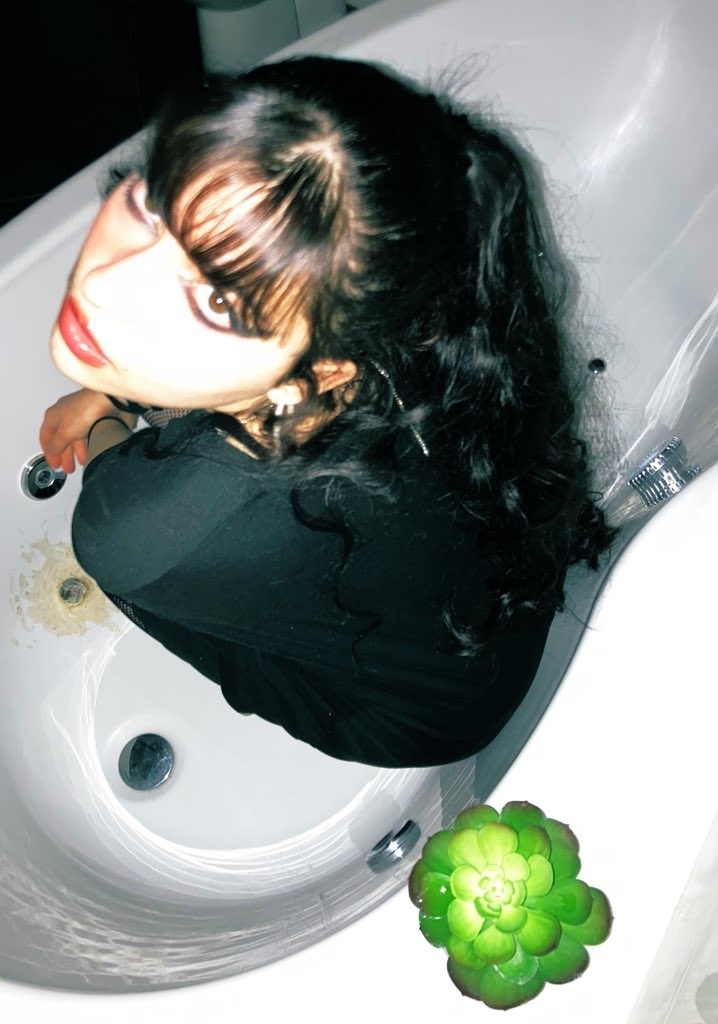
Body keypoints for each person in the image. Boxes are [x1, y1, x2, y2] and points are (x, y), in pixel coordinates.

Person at [40, 55, 613, 768]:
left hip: (412, 721)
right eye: (155, 204)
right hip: (488, 618)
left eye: (216, 301)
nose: (105, 286)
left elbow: (115, 501)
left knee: (138, 583)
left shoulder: (128, 534)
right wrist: (115, 386)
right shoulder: (427, 341)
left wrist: (108, 420)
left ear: (315, 379)